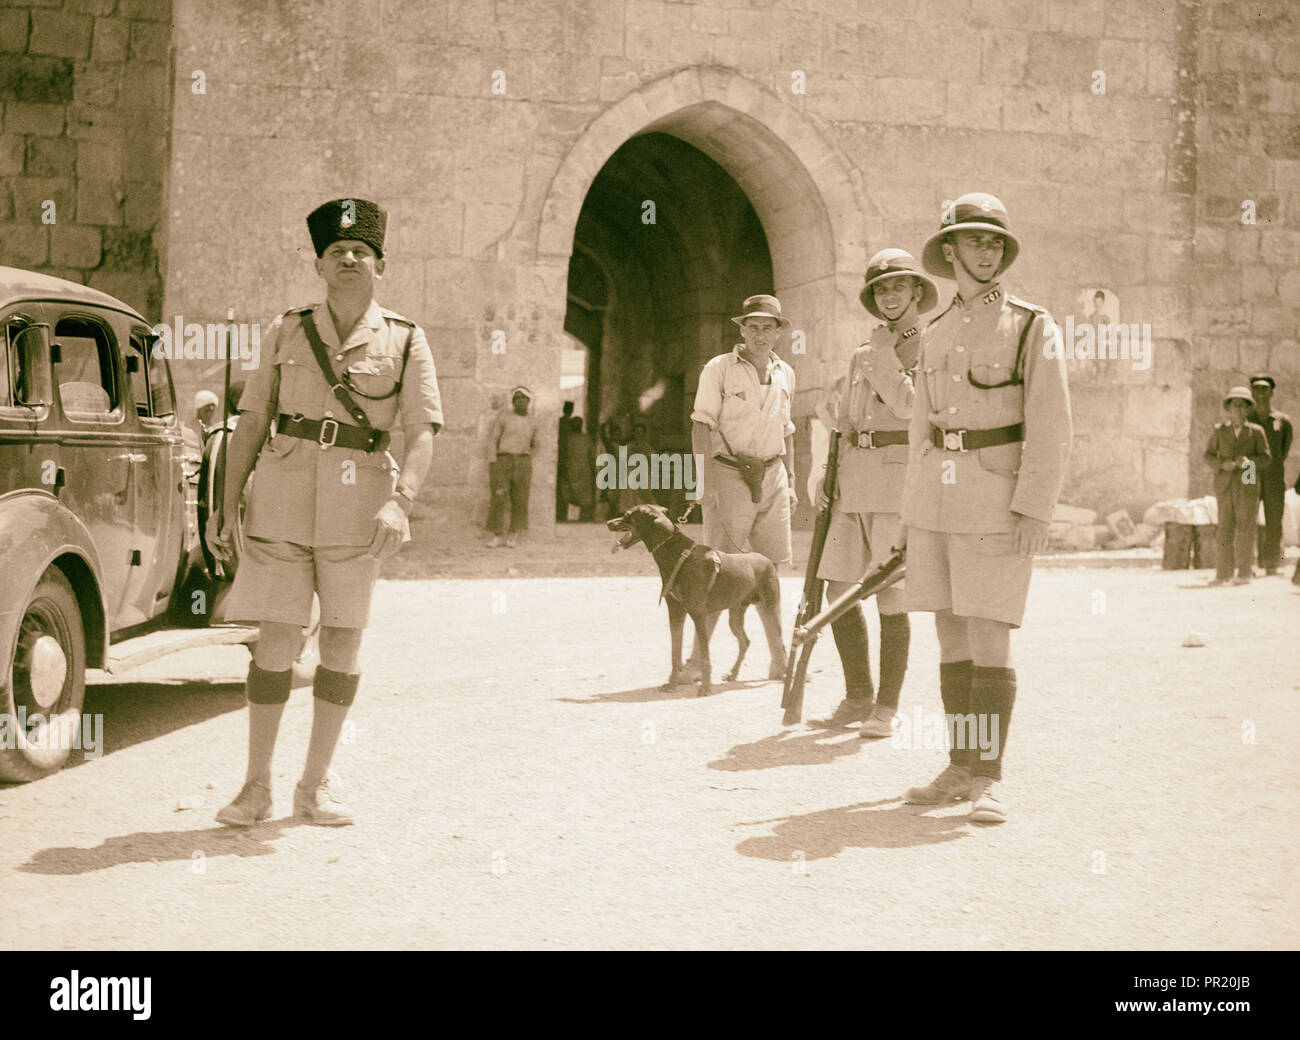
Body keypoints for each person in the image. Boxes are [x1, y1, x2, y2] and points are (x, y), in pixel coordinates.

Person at [208, 197, 442, 827]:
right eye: (337, 251)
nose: (348, 259)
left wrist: (402, 501)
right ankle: (255, 787)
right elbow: (252, 418)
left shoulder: (407, 338)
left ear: (381, 265)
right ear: (319, 263)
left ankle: (314, 787)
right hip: (280, 501)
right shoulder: (286, 330)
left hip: (360, 511)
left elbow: (422, 430)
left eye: (360, 252)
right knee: (276, 642)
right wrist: (223, 506)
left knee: (341, 641)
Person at [899, 192, 1072, 824]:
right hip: (936, 503)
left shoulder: (1031, 325)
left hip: (997, 499)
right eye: (973, 240)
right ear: (949, 251)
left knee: (989, 629)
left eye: (994, 240)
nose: (986, 250)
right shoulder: (935, 330)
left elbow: (1051, 425)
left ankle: (989, 778)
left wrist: (1034, 508)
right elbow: (920, 428)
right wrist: (910, 512)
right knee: (948, 629)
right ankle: (959, 765)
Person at [813, 249, 937, 736]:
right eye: (882, 290)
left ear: (915, 295)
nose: (890, 297)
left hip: (894, 481)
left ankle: (886, 707)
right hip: (853, 481)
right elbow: (844, 422)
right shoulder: (863, 352)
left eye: (899, 288)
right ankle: (857, 695)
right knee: (837, 588)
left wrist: (883, 354)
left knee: (890, 591)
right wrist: (828, 478)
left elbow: (910, 408)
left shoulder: (928, 345)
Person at [691, 294, 798, 566]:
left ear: (778, 332)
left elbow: (786, 430)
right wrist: (706, 481)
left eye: (767, 328)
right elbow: (701, 425)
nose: (759, 336)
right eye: (753, 327)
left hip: (773, 476)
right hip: (729, 473)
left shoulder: (785, 372)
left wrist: (791, 484)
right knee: (723, 564)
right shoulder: (720, 368)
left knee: (770, 566)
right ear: (742, 330)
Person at [1205, 386, 1271, 585]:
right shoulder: (1219, 431)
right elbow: (1207, 456)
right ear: (1229, 408)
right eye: (1236, 406)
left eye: (1244, 406)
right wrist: (1222, 465)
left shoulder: (1256, 432)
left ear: (1249, 409)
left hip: (1248, 481)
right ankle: (1222, 573)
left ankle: (1244, 573)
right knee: (1224, 528)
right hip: (1225, 483)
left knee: (1246, 527)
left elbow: (1266, 458)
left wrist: (1248, 462)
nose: (1239, 411)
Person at [1247, 375, 1292, 574]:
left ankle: (1272, 563)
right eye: (1256, 390)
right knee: (1247, 517)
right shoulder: (1247, 419)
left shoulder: (1282, 421)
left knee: (1274, 520)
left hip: (1273, 475)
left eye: (1265, 390)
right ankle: (1249, 563)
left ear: (1272, 392)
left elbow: (1283, 450)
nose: (1261, 394)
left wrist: (1272, 466)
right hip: (1249, 473)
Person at [487, 386, 539, 547]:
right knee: (499, 496)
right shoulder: (504, 417)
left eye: (524, 399)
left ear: (529, 402)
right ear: (513, 402)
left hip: (523, 462)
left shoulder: (533, 421)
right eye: (517, 399)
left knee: (520, 499)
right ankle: (497, 535)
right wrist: (493, 461)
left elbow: (537, 444)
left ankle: (513, 534)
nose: (521, 402)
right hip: (503, 460)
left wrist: (527, 456)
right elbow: (493, 439)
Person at [564, 415, 596, 521]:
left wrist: (593, 469)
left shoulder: (586, 438)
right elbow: (567, 455)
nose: (577, 426)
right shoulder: (568, 438)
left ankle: (584, 520)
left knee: (585, 497)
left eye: (578, 423)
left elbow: (591, 455)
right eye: (575, 424)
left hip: (584, 470)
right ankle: (569, 520)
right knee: (571, 495)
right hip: (572, 469)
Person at [556, 399, 574, 521]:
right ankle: (562, 514)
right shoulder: (569, 423)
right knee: (564, 488)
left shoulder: (561, 422)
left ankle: (561, 514)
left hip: (562, 457)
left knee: (562, 488)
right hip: (565, 457)